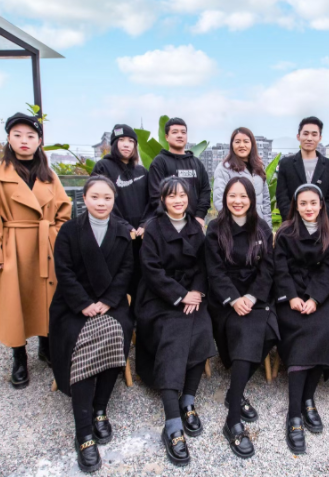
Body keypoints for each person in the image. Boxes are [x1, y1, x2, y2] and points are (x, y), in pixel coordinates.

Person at [0, 112, 71, 389]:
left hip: (45, 245)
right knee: (14, 302)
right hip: (14, 245)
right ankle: (19, 357)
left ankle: (46, 346)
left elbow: (64, 210)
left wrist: (55, 237)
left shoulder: (48, 174)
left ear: (39, 140)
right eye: (17, 135)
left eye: (31, 136)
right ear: (9, 139)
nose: (24, 141)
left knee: (48, 298)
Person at [49, 176, 134, 473]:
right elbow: (64, 271)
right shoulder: (69, 231)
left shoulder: (122, 232)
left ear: (114, 200)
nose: (101, 203)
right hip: (73, 305)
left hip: (110, 302)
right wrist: (84, 303)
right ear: (84, 199)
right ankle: (83, 431)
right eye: (95, 197)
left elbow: (126, 271)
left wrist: (108, 301)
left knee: (115, 330)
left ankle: (100, 408)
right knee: (84, 338)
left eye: (107, 198)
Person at [134, 177, 217, 467]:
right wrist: (180, 295)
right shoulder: (153, 228)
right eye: (172, 196)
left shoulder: (196, 227)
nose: (178, 200)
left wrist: (196, 293)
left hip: (192, 295)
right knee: (174, 334)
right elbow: (151, 270)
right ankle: (171, 421)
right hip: (159, 298)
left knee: (203, 327)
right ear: (163, 200)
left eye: (182, 195)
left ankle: (188, 399)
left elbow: (203, 267)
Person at [206, 177, 278, 459]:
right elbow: (214, 271)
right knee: (246, 332)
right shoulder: (215, 229)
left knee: (271, 331)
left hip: (254, 296)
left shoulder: (262, 228)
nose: (238, 201)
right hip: (226, 300)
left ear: (252, 199)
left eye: (243, 196)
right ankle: (232, 419)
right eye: (232, 196)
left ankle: (232, 393)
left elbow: (267, 269)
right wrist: (235, 299)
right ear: (225, 199)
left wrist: (251, 297)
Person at [274, 184, 329, 455]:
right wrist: (292, 297)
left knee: (327, 328)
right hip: (290, 296)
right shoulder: (285, 234)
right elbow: (280, 270)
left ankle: (308, 398)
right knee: (301, 330)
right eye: (303, 203)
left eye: (313, 203)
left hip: (320, 297)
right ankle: (294, 412)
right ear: (296, 206)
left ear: (321, 205)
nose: (308, 208)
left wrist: (314, 299)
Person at [92, 124, 150, 299]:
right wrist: (124, 226)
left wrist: (145, 224)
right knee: (118, 279)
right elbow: (100, 202)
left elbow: (152, 201)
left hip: (141, 236)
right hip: (116, 235)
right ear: (114, 143)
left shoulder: (142, 171)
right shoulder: (103, 167)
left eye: (131, 141)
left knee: (141, 280)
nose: (126, 144)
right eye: (121, 140)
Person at [147, 118, 211, 227]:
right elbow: (156, 195)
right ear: (166, 137)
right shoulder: (160, 162)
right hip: (169, 224)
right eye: (175, 132)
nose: (180, 135)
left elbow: (205, 190)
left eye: (183, 132)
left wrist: (199, 216)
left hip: (195, 224)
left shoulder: (196, 163)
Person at [275, 117, 329, 222]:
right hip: (292, 225)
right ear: (298, 136)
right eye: (305, 134)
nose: (309, 138)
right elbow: (282, 197)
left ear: (320, 138)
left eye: (314, 134)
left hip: (321, 225)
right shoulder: (286, 164)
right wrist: (294, 221)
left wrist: (317, 221)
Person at [212, 127, 272, 223]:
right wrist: (237, 224)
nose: (242, 145)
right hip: (234, 226)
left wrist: (267, 227)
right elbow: (219, 201)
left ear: (252, 144)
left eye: (246, 141)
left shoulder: (258, 167)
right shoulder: (224, 168)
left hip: (258, 225)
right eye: (237, 142)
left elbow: (266, 202)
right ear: (232, 145)